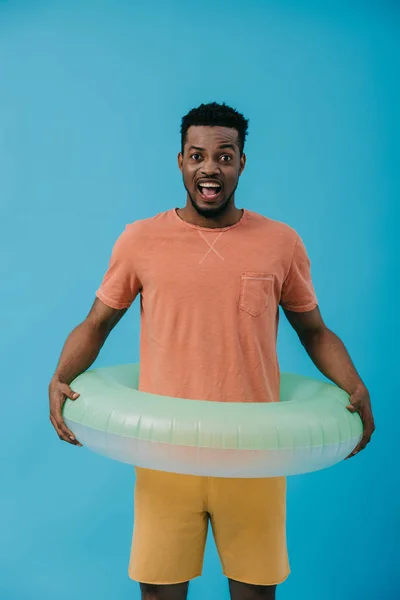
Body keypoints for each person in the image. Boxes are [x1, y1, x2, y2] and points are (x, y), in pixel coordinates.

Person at [48, 102, 375, 600]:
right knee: (159, 593)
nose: (209, 168)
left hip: (254, 453)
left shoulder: (280, 242)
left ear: (242, 163)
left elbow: (314, 332)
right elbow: (97, 323)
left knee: (254, 593)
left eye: (224, 156)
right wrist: (59, 377)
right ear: (180, 161)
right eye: (197, 155)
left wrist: (354, 386)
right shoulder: (141, 239)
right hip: (165, 456)